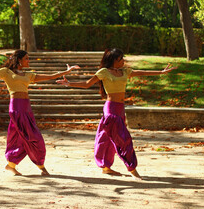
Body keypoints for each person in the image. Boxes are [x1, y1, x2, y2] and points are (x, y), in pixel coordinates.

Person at [56, 48, 177, 180]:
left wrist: (161, 72)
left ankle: (106, 167)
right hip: (111, 109)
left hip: (120, 109)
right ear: (114, 60)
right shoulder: (104, 72)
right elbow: (87, 84)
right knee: (123, 139)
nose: (123, 61)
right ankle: (132, 168)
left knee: (108, 139)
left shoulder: (125, 71)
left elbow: (141, 72)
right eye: (121, 59)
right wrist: (69, 83)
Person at [0, 50, 80, 176]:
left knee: (20, 137)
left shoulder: (28, 74)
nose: (29, 61)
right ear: (19, 60)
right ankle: (41, 167)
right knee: (33, 136)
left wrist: (66, 72)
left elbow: (49, 76)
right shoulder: (6, 72)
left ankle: (11, 165)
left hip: (26, 107)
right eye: (26, 58)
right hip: (16, 107)